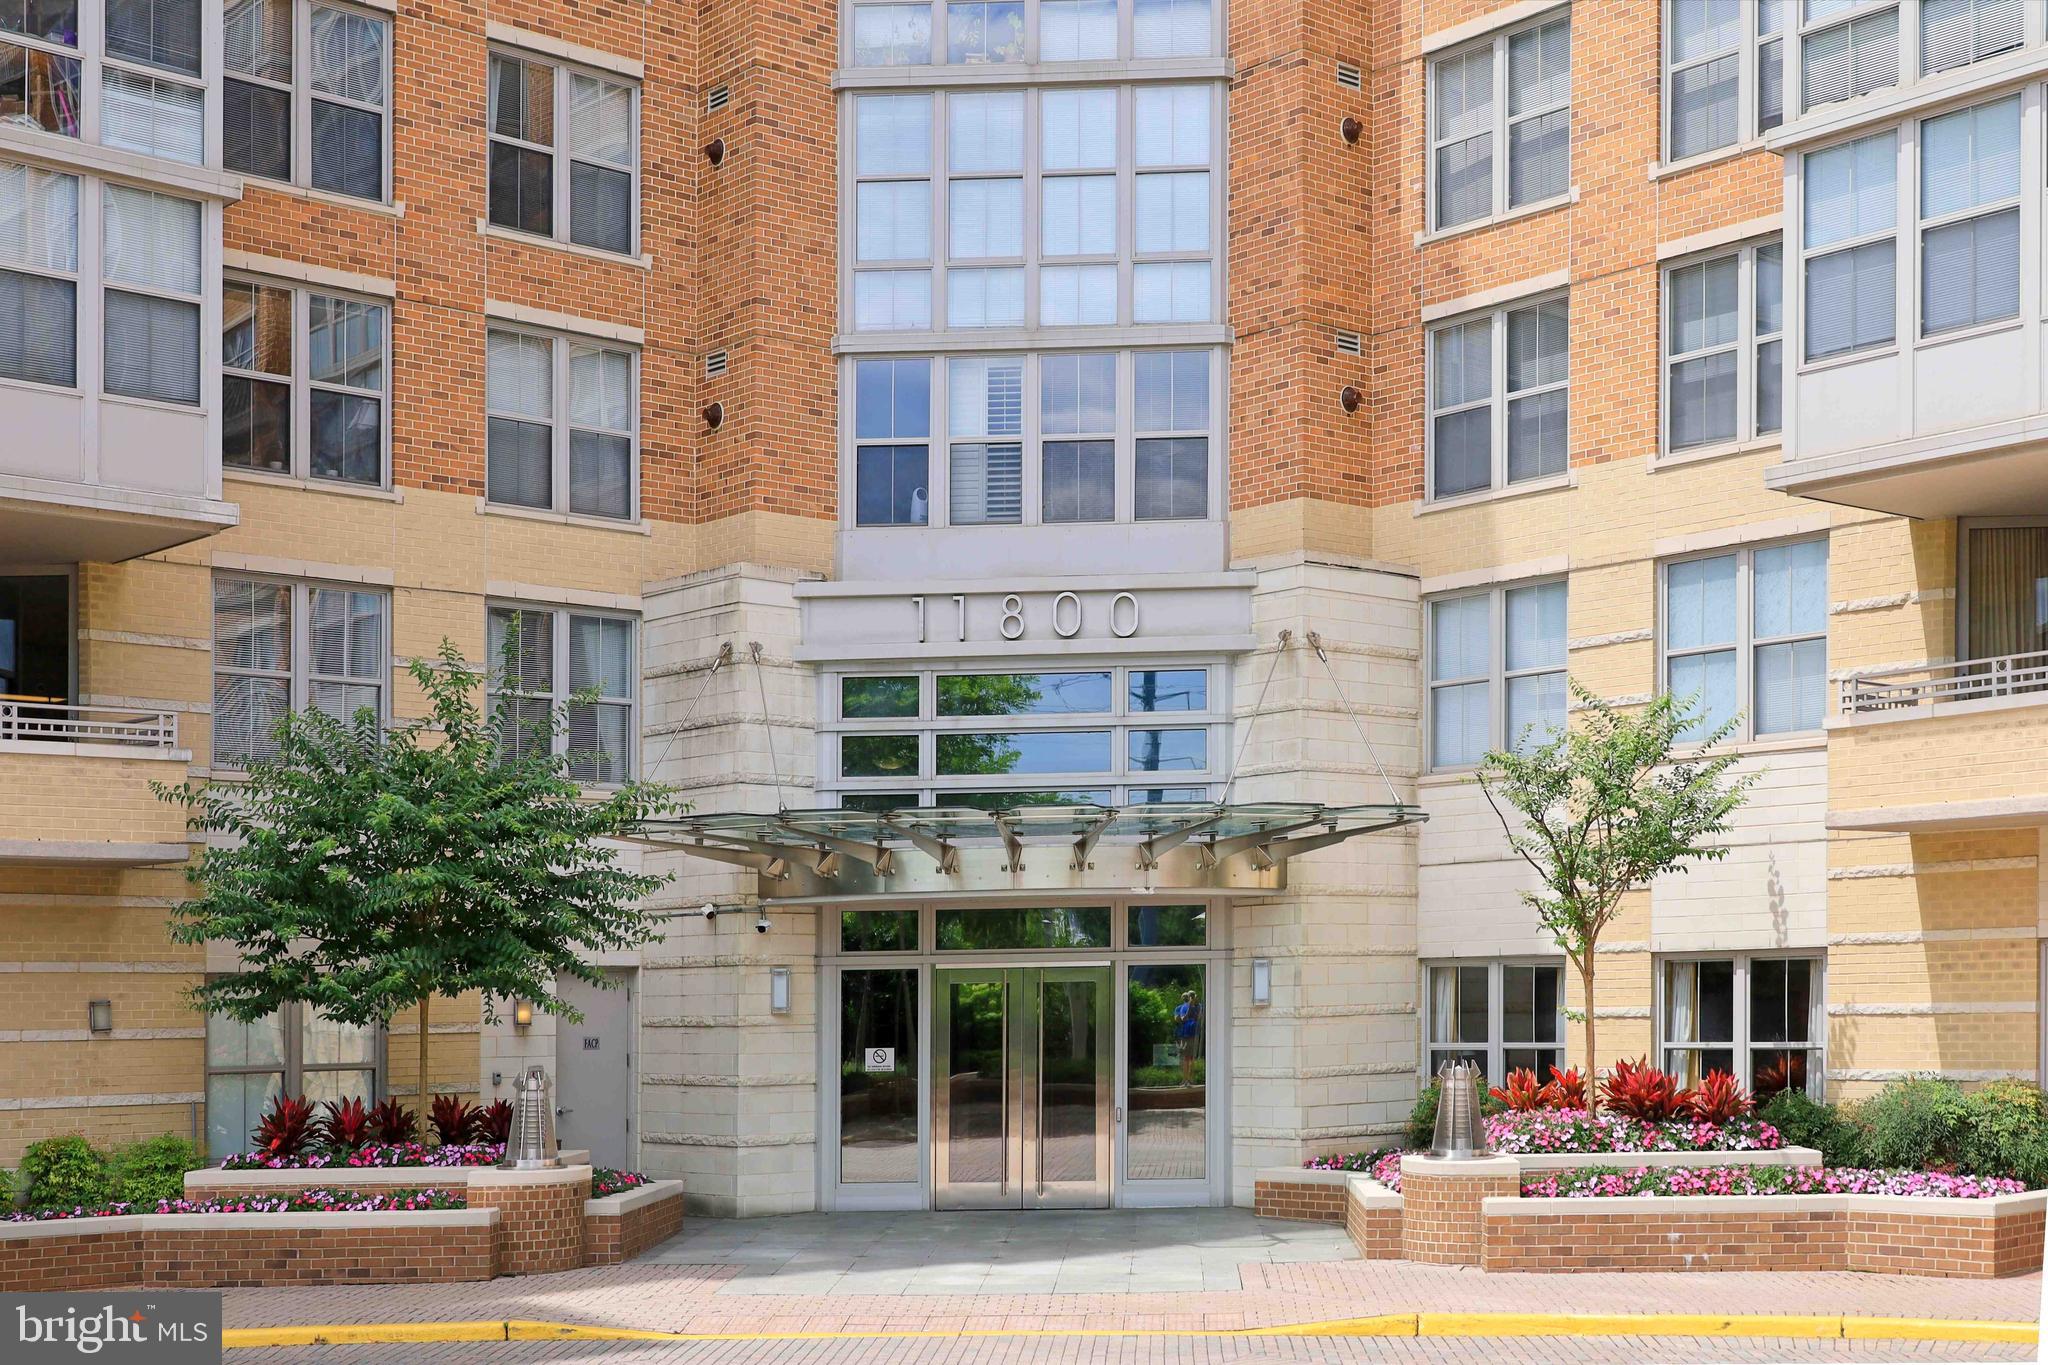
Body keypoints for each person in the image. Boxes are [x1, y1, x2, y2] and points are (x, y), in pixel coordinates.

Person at [1173, 988, 1202, 1087]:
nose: (1188, 998)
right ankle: (1184, 1079)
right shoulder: (1180, 1008)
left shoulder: (1197, 1007)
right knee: (1185, 1058)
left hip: (1193, 1034)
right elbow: (1180, 1019)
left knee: (1191, 1058)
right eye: (1188, 996)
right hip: (1183, 1034)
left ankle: (1189, 1079)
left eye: (1191, 996)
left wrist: (1194, 1005)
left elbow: (1199, 1017)